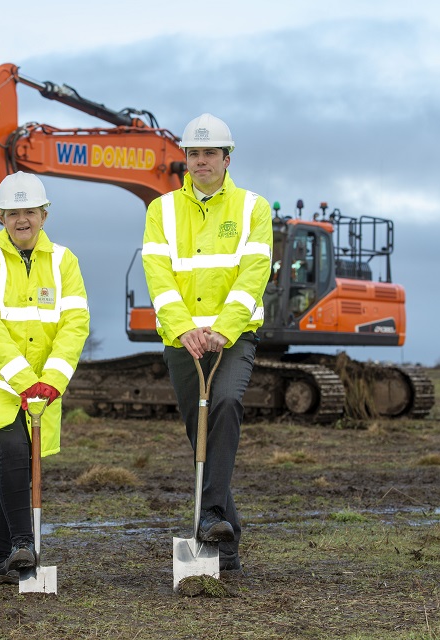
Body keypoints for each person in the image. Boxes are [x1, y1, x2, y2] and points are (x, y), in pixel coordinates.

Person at [141, 113, 273, 574]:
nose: (201, 161)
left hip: (232, 337)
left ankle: (210, 516)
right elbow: (157, 275)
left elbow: (254, 273)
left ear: (226, 157)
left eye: (209, 153)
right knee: (200, 435)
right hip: (183, 340)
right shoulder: (161, 211)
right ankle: (227, 543)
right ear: (185, 158)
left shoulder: (254, 208)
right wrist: (184, 328)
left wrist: (223, 328)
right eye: (194, 154)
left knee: (225, 406)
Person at [0, 171, 90, 584]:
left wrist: (52, 380)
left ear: (44, 214)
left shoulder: (64, 261)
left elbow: (75, 323)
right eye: (13, 213)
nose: (22, 220)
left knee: (20, 463)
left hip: (41, 386)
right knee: (14, 451)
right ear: (0, 216)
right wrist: (22, 379)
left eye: (29, 211)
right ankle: (23, 546)